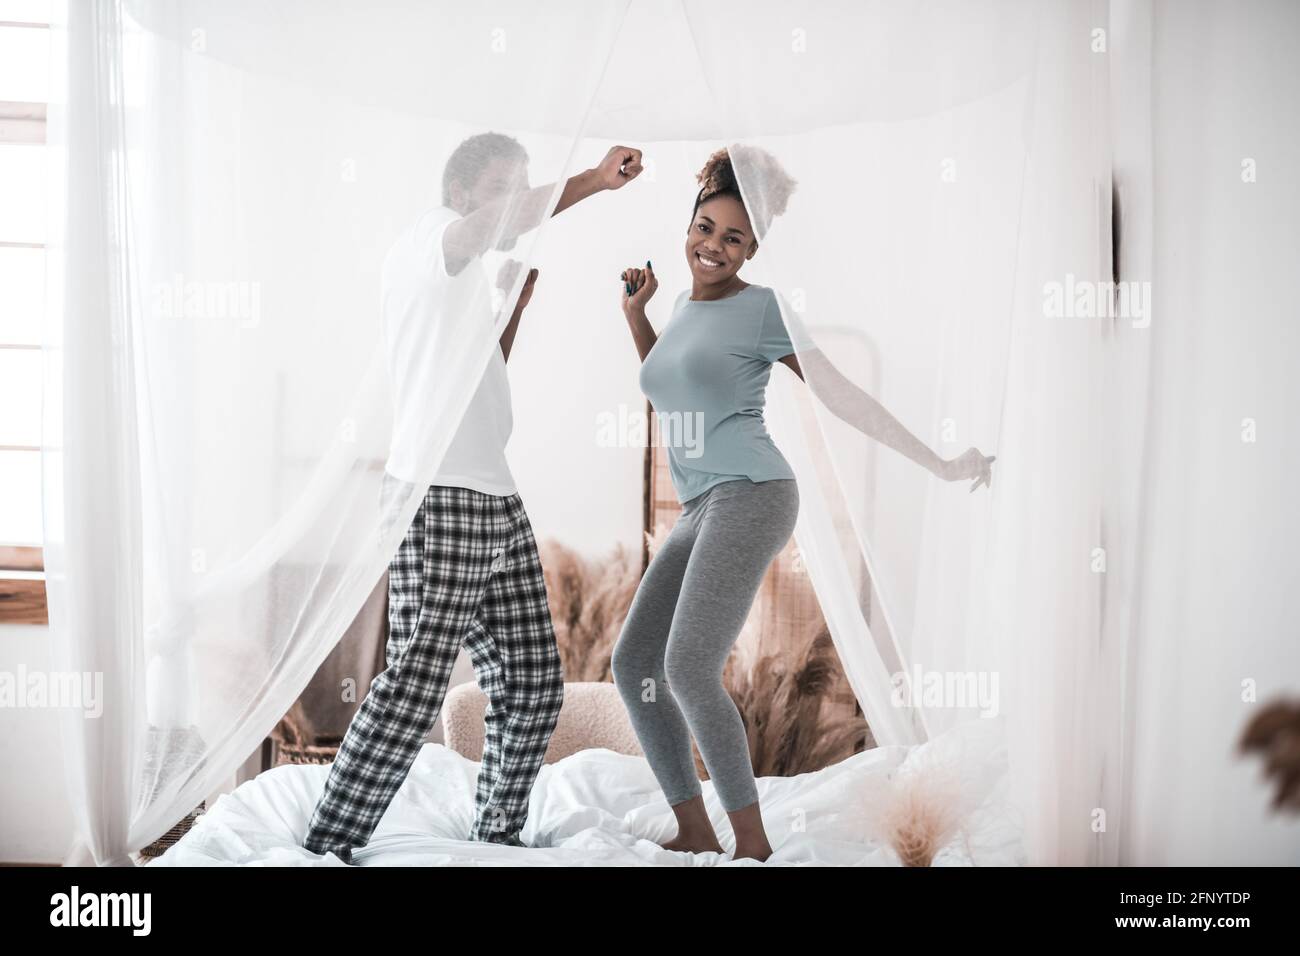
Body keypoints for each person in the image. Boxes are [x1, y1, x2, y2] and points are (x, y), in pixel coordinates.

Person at [611, 146, 994, 862]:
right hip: (701, 506)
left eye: (735, 239)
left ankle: (750, 844)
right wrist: (637, 317)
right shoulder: (685, 305)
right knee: (635, 663)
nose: (714, 247)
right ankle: (693, 826)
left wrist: (940, 463)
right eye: (706, 227)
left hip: (752, 494)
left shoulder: (763, 311)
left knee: (689, 667)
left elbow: (840, 393)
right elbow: (672, 390)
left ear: (755, 248)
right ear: (688, 223)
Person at [302, 134, 644, 863]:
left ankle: (496, 836)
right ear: (460, 196)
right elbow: (491, 226)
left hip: (493, 493)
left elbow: (477, 382)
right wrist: (589, 180)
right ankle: (327, 844)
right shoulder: (431, 242)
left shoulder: (463, 280)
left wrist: (508, 311)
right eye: (504, 188)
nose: (519, 201)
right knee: (414, 687)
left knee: (531, 683)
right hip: (441, 492)